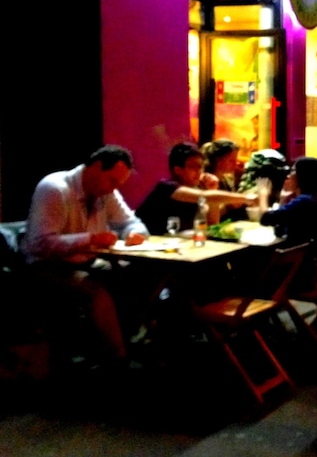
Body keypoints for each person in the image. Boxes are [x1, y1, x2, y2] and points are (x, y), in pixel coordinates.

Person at [25, 144, 149, 363]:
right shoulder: (54, 188)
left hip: (84, 261)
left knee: (134, 276)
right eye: (112, 181)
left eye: (118, 184)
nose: (113, 189)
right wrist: (90, 239)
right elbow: (39, 243)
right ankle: (119, 359)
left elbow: (132, 222)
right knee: (95, 291)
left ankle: (129, 343)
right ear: (97, 167)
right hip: (47, 265)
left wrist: (133, 233)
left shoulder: (106, 193)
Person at [136, 142, 255, 235]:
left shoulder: (198, 187)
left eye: (200, 167)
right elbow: (204, 197)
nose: (199, 172)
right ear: (178, 170)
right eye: (193, 167)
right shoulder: (167, 187)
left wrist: (212, 189)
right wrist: (247, 198)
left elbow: (213, 224)